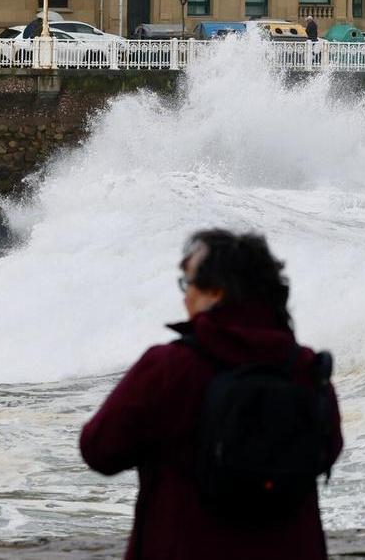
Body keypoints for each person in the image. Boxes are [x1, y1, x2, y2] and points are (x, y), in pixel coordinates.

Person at [81, 229, 343, 560]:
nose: (184, 296)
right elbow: (329, 450)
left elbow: (98, 449)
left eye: (187, 284)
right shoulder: (307, 369)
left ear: (216, 292)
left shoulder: (170, 366)